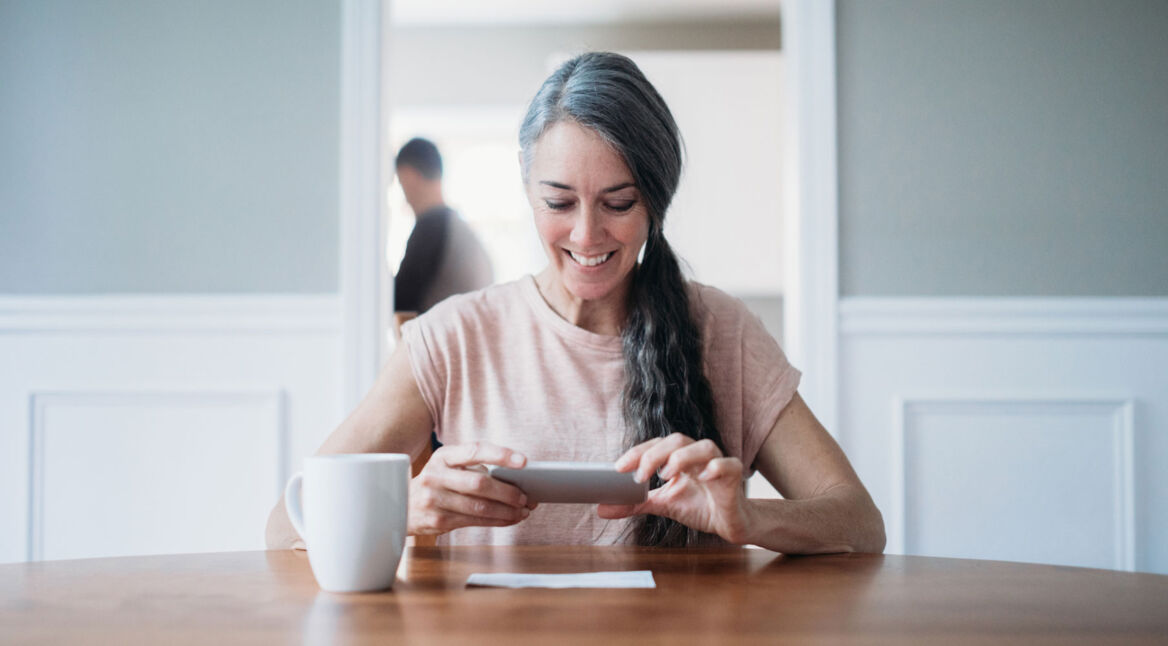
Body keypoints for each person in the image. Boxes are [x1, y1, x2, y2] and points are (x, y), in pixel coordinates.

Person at [267, 52, 885, 552]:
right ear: (525, 184)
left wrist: (749, 520)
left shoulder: (722, 331)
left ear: (656, 199)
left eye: (618, 203)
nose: (587, 236)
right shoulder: (451, 339)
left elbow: (860, 523)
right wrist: (400, 511)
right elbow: (282, 527)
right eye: (559, 202)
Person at [392, 137, 493, 315]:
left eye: (400, 182)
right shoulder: (458, 228)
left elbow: (400, 300)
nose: (404, 197)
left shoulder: (431, 228)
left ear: (410, 176)